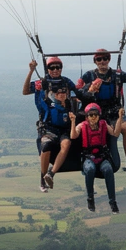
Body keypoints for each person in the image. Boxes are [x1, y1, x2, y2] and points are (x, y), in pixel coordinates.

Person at [78, 49, 126, 176]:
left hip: (114, 109)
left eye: (105, 58)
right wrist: (90, 90)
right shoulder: (89, 76)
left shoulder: (117, 75)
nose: (102, 62)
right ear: (95, 61)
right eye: (99, 59)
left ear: (109, 59)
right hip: (96, 112)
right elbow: (78, 94)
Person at [23, 58, 81, 191]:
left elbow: (79, 93)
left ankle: (51, 173)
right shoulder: (42, 83)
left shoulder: (66, 82)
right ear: (48, 69)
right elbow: (25, 91)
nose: (55, 70)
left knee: (66, 144)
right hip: (48, 126)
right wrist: (31, 71)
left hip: (64, 127)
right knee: (46, 145)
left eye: (58, 67)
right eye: (52, 68)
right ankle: (42, 178)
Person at [69, 103, 124, 213]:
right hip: (88, 158)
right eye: (91, 115)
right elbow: (73, 136)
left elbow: (115, 133)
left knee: (108, 170)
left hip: (102, 157)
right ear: (87, 116)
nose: (93, 117)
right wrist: (73, 121)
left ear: (99, 115)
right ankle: (90, 199)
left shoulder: (103, 124)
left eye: (95, 115)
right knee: (90, 170)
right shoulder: (82, 126)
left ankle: (112, 202)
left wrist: (120, 118)